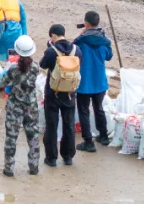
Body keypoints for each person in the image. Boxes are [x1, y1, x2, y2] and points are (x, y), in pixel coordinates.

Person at [74, 10, 114, 152]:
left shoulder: (81, 41)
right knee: (99, 108)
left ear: (86, 23)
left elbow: (72, 51)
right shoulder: (103, 41)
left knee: (84, 110)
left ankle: (88, 141)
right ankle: (103, 136)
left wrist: (81, 34)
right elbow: (109, 56)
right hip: (99, 82)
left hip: (84, 83)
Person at [2, 35, 40, 177]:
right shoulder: (36, 67)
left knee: (11, 137)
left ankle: (9, 168)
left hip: (14, 106)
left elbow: (5, 81)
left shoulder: (13, 69)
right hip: (31, 106)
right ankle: (34, 167)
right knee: (33, 136)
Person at [39, 24, 76, 166]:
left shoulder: (51, 51)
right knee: (69, 125)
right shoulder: (75, 50)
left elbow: (43, 65)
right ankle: (68, 157)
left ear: (53, 35)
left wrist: (48, 48)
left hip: (53, 93)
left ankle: (51, 158)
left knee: (52, 125)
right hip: (70, 93)